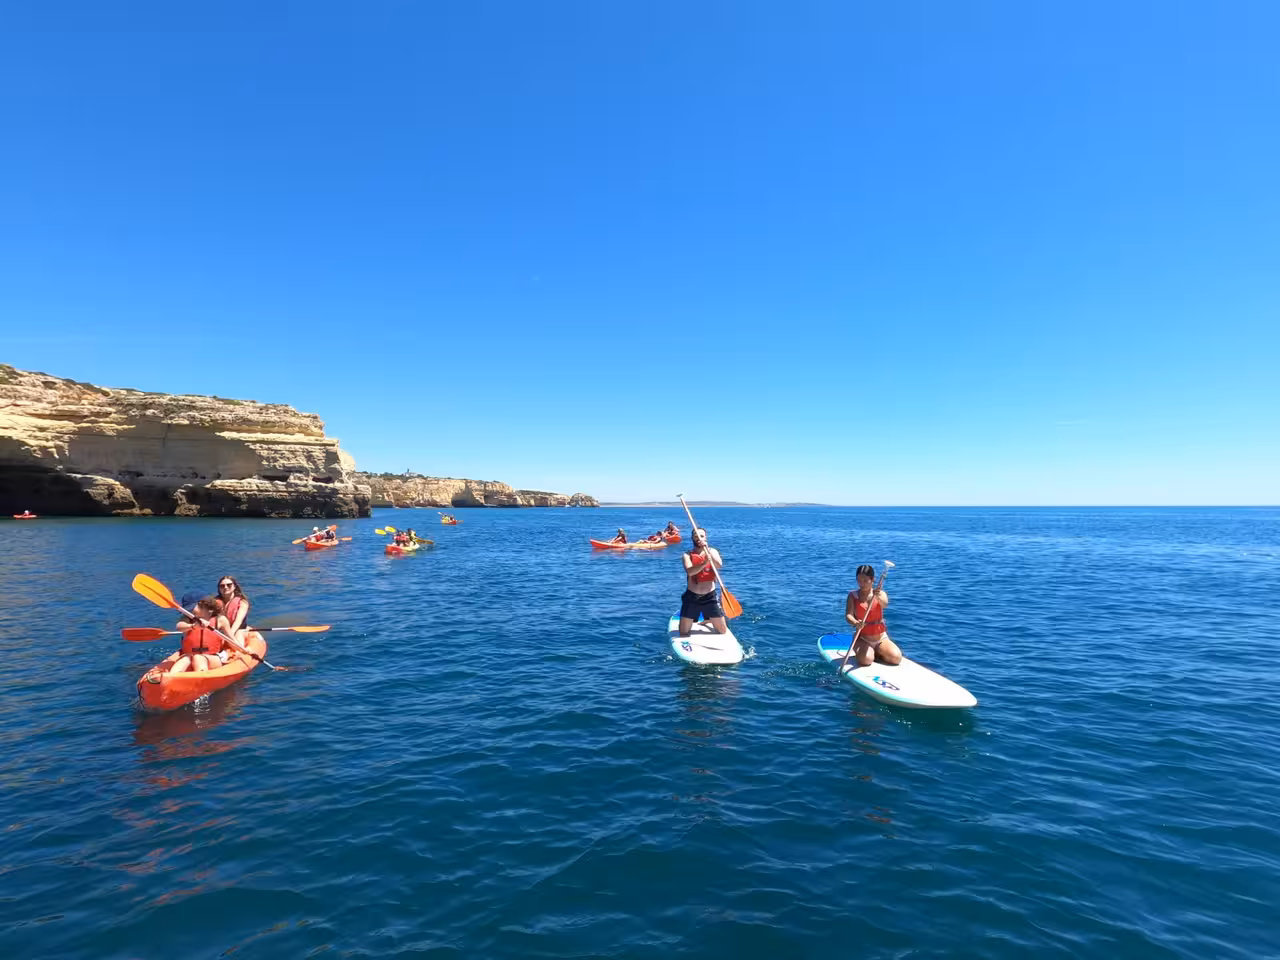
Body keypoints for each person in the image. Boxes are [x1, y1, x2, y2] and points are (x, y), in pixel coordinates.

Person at [842, 564, 902, 666]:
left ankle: (877, 651)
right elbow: (848, 615)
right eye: (859, 581)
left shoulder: (880, 593)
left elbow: (885, 604)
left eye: (865, 581)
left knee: (896, 658)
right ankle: (864, 651)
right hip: (862, 638)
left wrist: (877, 596)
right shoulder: (853, 596)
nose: (862, 584)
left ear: (872, 579)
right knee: (866, 661)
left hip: (881, 638)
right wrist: (855, 622)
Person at [678, 527, 727, 636]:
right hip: (692, 597)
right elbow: (690, 572)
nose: (699, 538)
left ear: (706, 538)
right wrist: (704, 562)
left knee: (722, 631)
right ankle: (703, 617)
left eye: (701, 536)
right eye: (696, 536)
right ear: (692, 538)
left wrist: (707, 551)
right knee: (683, 632)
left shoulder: (712, 551)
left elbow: (719, 565)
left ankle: (709, 618)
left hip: (710, 597)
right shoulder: (686, 555)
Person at [172, 596, 229, 673]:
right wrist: (192, 626)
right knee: (185, 659)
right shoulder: (189, 618)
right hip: (190, 655)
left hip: (214, 657)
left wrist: (243, 651)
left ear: (203, 606)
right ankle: (172, 676)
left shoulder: (220, 619)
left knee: (198, 658)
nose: (191, 611)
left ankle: (201, 679)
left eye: (192, 608)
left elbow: (231, 638)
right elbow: (179, 626)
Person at [216, 575, 251, 644]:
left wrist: (228, 636)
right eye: (222, 586)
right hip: (221, 630)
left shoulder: (242, 602)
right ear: (219, 589)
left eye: (229, 585)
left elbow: (238, 621)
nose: (225, 587)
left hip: (238, 629)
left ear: (234, 586)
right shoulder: (215, 602)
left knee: (238, 635)